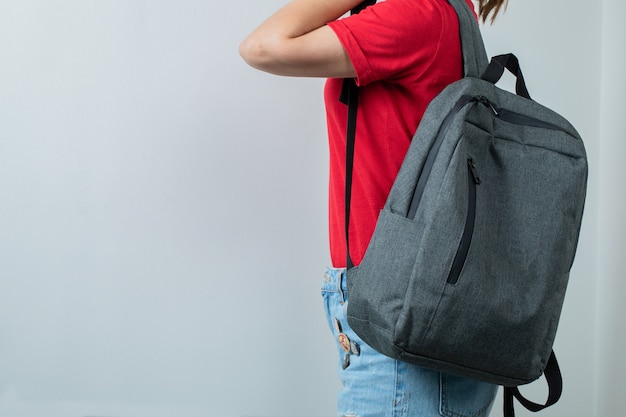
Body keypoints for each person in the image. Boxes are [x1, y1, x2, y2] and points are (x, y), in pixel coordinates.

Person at [240, 0, 508, 416]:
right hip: (419, 315)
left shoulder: (417, 14)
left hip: (393, 322)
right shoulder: (454, 14)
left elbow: (263, 46)